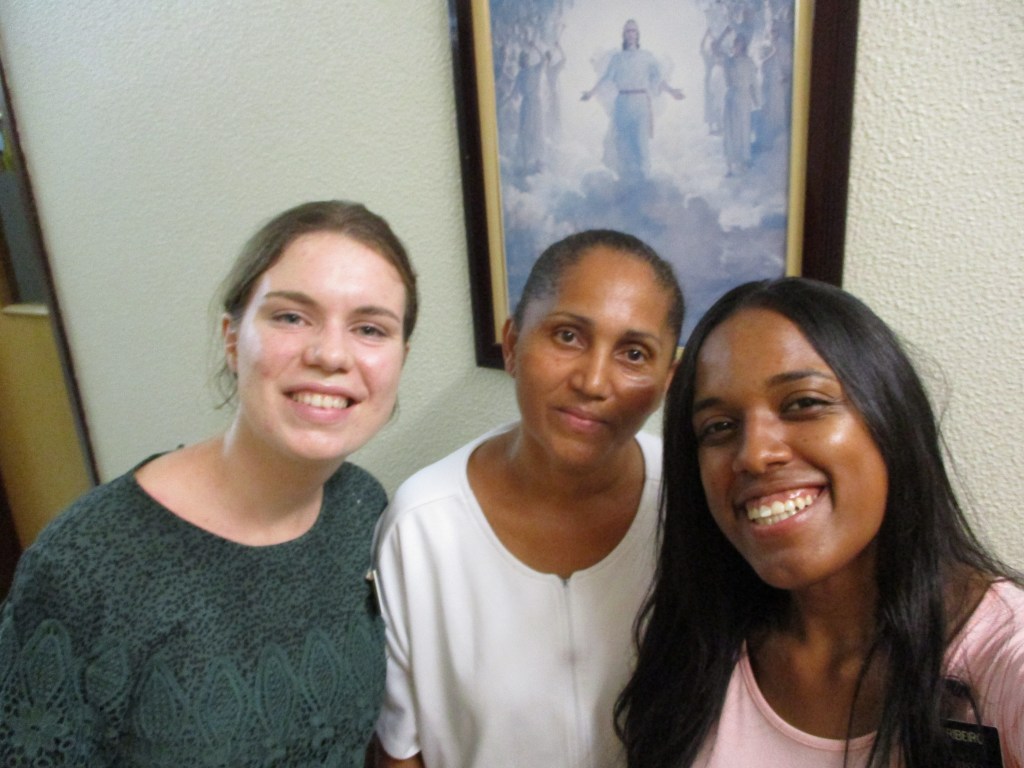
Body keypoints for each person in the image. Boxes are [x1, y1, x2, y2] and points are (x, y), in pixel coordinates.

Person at [0, 200, 419, 766]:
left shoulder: (362, 508)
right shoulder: (83, 567)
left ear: (399, 360)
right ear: (231, 338)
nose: (330, 355)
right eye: (291, 317)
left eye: (370, 329)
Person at [616, 277, 1024, 768]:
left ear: (892, 417)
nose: (754, 454)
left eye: (804, 403)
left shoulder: (1003, 654)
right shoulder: (698, 647)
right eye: (719, 427)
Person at [374, 230, 684, 768]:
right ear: (512, 344)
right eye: (567, 336)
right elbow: (401, 747)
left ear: (666, 380)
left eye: (634, 353)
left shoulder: (690, 507)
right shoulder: (422, 524)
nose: (593, 381)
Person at [582, 20, 685, 181]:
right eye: (628, 31)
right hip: (622, 103)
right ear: (624, 35)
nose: (631, 34)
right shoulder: (617, 58)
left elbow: (658, 80)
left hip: (640, 103)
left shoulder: (647, 57)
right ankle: (625, 182)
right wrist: (590, 93)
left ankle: (643, 181)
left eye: (634, 31)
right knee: (622, 143)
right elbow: (605, 79)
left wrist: (672, 92)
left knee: (641, 144)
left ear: (638, 34)